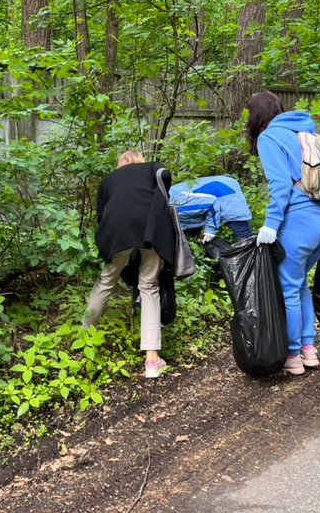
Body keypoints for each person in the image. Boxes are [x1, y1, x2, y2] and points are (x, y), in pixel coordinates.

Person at [245, 91, 320, 376]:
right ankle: (308, 349)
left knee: (287, 287)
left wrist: (271, 223)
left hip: (301, 222)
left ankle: (292, 355)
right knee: (298, 284)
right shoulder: (305, 131)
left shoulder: (269, 137)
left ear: (255, 116)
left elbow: (280, 185)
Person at [81, 150, 178, 379]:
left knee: (106, 280)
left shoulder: (108, 181)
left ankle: (83, 337)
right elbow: (166, 181)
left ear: (120, 164)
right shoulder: (152, 168)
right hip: (152, 228)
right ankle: (152, 362)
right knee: (149, 286)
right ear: (140, 161)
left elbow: (101, 217)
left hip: (117, 229)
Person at [169, 175, 254, 243]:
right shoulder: (166, 201)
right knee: (191, 238)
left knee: (244, 237)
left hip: (226, 194)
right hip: (216, 191)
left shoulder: (176, 205)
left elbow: (211, 202)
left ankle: (254, 262)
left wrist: (210, 230)